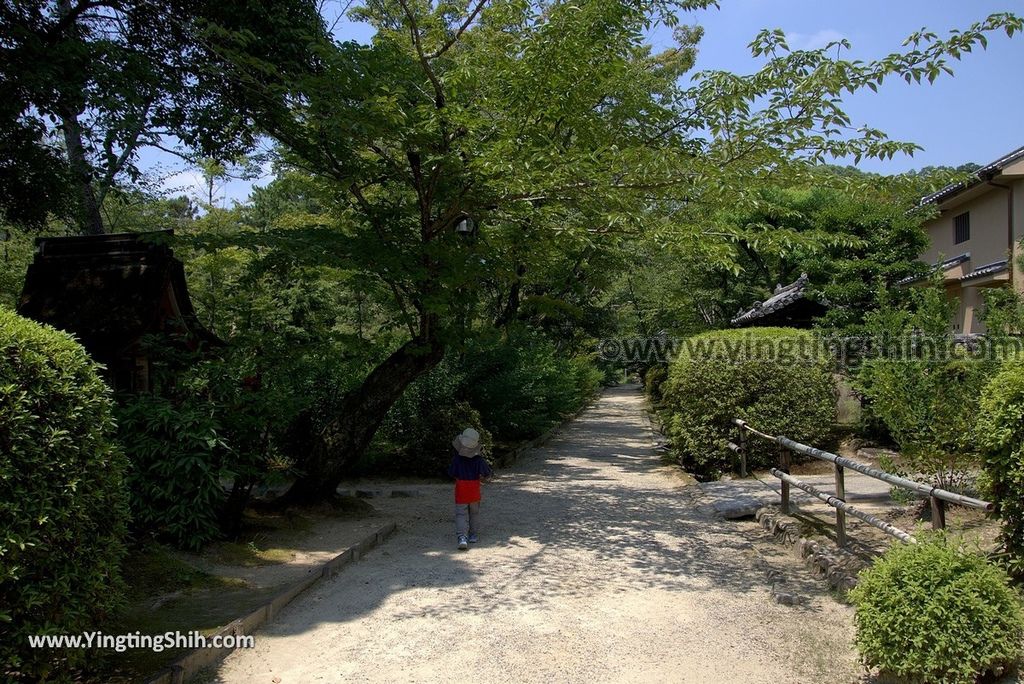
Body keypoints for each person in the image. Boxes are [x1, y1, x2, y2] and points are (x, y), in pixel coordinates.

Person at [447, 427, 493, 550]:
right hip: (474, 488)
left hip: (461, 487)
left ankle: (462, 537)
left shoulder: (457, 459)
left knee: (461, 514)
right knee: (474, 513)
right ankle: (473, 535)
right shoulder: (479, 460)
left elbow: (451, 473)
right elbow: (487, 474)